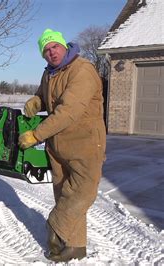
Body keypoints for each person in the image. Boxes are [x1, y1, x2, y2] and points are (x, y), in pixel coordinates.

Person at [18, 29, 106, 262]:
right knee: (63, 192)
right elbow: (45, 97)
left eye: (54, 46)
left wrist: (36, 135)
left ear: (63, 45)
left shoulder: (82, 70)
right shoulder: (49, 74)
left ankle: (55, 225)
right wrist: (37, 100)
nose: (51, 52)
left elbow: (68, 111)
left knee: (81, 192)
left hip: (84, 144)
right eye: (46, 50)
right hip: (57, 144)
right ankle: (75, 246)